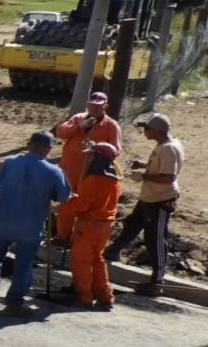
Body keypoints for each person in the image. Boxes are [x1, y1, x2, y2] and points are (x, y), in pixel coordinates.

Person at [0, 130, 71, 316]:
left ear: (29, 145)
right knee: (23, 264)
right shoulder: (54, 171)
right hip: (30, 226)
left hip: (3, 220)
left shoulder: (10, 162)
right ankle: (14, 303)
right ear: (49, 149)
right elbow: (63, 196)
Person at [104, 112, 183, 297]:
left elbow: (169, 177)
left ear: (158, 130)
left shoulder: (168, 149)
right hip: (149, 197)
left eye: (147, 128)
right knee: (131, 226)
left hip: (159, 199)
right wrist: (144, 165)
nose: (144, 131)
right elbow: (162, 168)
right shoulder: (163, 146)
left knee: (155, 239)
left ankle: (158, 281)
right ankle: (112, 252)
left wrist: (144, 176)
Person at [52, 90, 121, 242]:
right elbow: (60, 132)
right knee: (65, 205)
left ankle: (77, 238)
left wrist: (98, 147)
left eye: (98, 106)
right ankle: (62, 236)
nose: (94, 109)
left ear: (105, 107)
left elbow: (115, 150)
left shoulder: (111, 125)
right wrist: (78, 127)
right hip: (70, 171)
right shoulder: (78, 118)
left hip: (91, 174)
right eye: (91, 106)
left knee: (84, 207)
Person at [63, 141, 121, 309]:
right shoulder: (115, 181)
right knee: (97, 259)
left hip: (88, 224)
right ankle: (105, 296)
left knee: (81, 261)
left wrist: (69, 199)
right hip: (105, 225)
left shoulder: (94, 180)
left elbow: (81, 205)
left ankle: (84, 296)